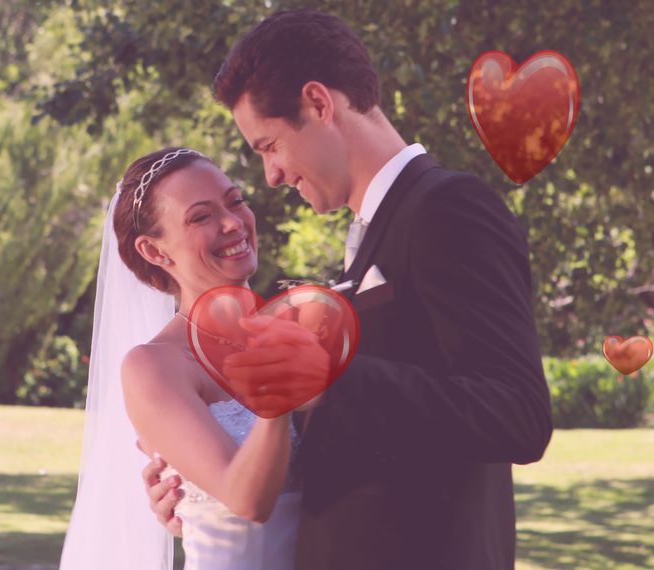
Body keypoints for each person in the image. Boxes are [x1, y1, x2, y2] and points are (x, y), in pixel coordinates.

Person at [141, 9, 554, 569]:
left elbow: (518, 416)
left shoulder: (446, 208)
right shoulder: (373, 233)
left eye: (269, 146)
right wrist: (201, 492)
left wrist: (326, 380)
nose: (273, 176)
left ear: (318, 103)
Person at [60, 147, 333, 569]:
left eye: (235, 201)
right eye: (200, 217)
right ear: (155, 251)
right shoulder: (155, 366)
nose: (233, 223)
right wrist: (278, 393)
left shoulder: (300, 327)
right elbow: (247, 501)